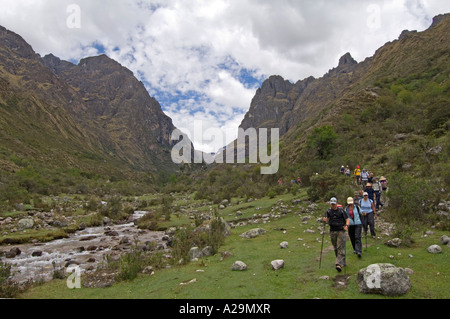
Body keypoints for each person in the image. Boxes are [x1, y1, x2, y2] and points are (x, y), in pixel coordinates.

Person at [323, 197, 350, 272]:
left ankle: (338, 264)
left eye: (334, 204)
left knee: (340, 246)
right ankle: (342, 262)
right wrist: (324, 220)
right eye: (332, 204)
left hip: (341, 230)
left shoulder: (341, 211)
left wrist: (346, 226)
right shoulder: (328, 211)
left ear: (336, 203)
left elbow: (347, 220)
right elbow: (326, 218)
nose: (333, 205)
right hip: (332, 231)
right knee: (335, 247)